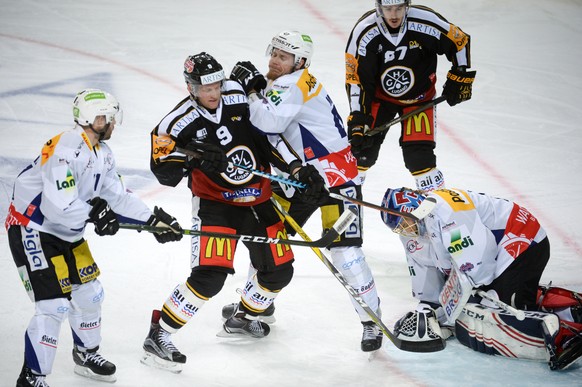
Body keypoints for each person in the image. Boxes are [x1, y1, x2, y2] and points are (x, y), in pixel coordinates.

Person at [6, 89, 183, 387]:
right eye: (110, 117)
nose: (114, 123)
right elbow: (56, 205)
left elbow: (116, 196)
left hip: (67, 233)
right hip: (33, 231)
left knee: (89, 295)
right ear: (96, 118)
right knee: (53, 306)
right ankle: (31, 378)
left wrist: (153, 221)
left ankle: (86, 354)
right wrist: (94, 214)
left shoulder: (102, 152)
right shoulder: (65, 147)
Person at [226, 30, 384, 352]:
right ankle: (257, 303)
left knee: (344, 252)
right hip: (299, 177)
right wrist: (256, 90)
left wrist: (251, 91)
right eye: (274, 52)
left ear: (300, 61)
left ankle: (372, 321)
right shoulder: (287, 82)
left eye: (283, 56)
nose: (275, 60)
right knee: (268, 238)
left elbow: (267, 123)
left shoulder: (292, 83)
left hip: (335, 180)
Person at [142, 52, 298, 372]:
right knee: (210, 277)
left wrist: (296, 166)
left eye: (217, 84)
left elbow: (267, 136)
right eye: (205, 88)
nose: (213, 93)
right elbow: (163, 171)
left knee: (280, 271)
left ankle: (242, 316)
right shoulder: (176, 122)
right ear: (190, 87)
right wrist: (193, 159)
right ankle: (159, 334)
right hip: (215, 205)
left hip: (257, 200)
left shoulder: (237, 95)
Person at [380, 187, 582, 370]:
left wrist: (460, 301)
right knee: (479, 308)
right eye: (398, 228)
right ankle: (572, 311)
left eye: (404, 223)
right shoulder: (412, 230)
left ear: (415, 208)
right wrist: (429, 304)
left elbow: (479, 265)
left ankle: (565, 337)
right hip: (496, 256)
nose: (405, 230)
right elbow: (423, 267)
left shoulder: (447, 211)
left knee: (493, 313)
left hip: (522, 241)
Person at [345, 0, 476, 191]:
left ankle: (440, 211)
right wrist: (358, 119)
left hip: (419, 100)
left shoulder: (426, 22)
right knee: (360, 154)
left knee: (420, 160)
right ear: (378, 7)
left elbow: (459, 41)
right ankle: (349, 213)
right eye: (388, 8)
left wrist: (460, 75)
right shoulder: (365, 31)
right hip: (379, 100)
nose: (394, 14)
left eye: (399, 7)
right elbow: (356, 79)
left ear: (407, 5)